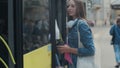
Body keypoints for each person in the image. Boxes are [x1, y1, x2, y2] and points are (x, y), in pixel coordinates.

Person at [57, 0, 95, 68]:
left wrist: (69, 49)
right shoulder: (72, 24)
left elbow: (91, 50)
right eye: (68, 6)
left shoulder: (81, 25)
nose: (69, 8)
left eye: (73, 6)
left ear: (79, 8)